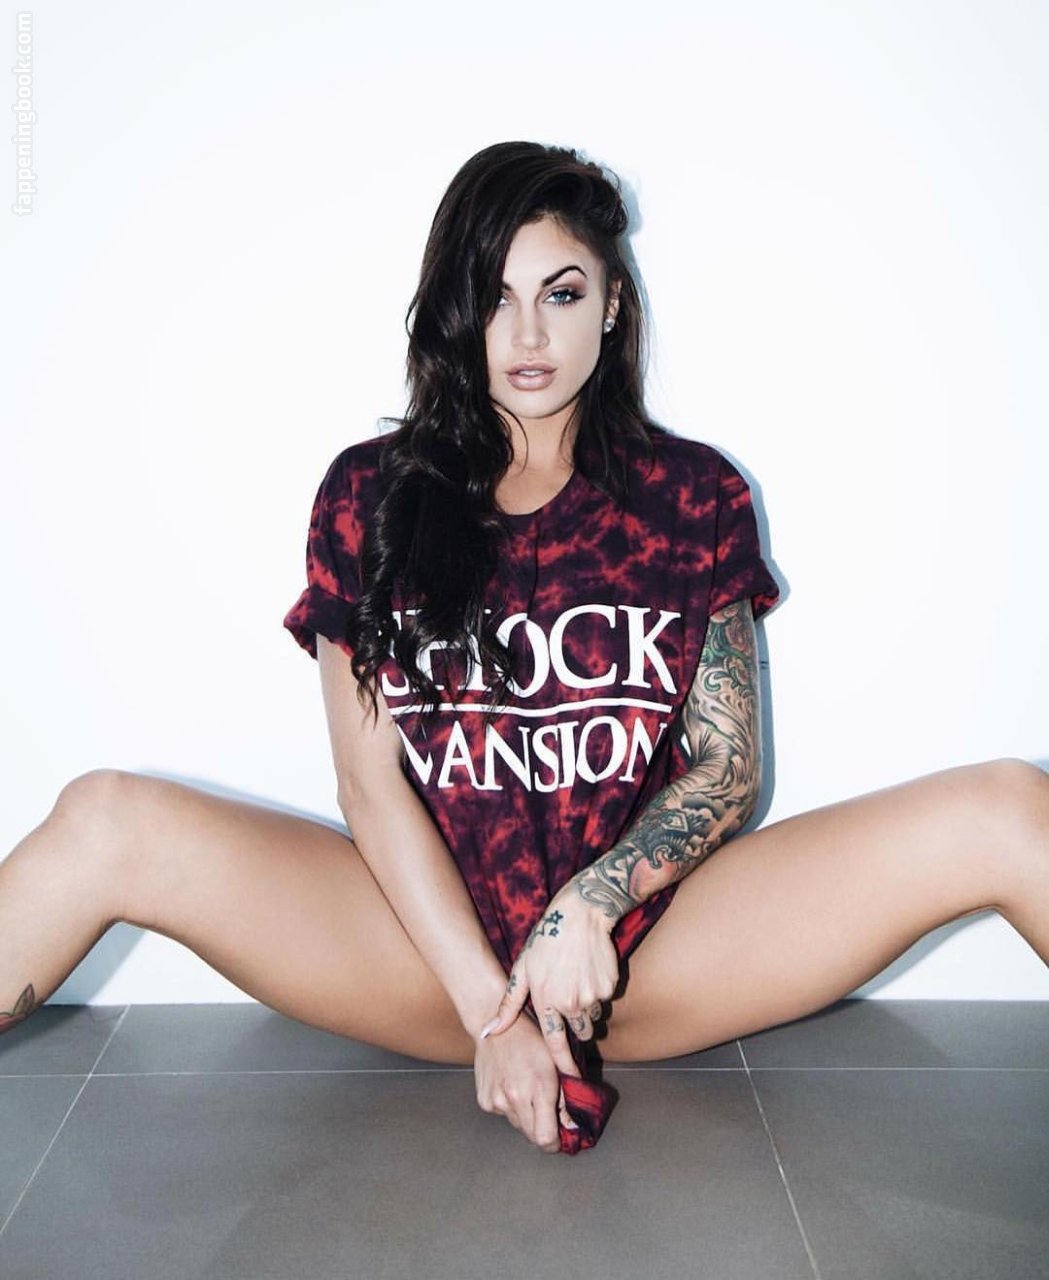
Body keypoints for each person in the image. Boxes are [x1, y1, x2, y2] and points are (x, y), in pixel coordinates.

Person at [1, 142, 1046, 1156]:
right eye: (494, 297)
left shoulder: (693, 495)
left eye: (561, 292)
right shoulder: (371, 494)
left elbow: (729, 767)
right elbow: (369, 787)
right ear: (456, 310)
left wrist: (588, 903)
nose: (528, 332)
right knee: (108, 817)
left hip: (646, 949)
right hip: (421, 950)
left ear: (612, 303)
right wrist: (489, 1015)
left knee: (1002, 806)